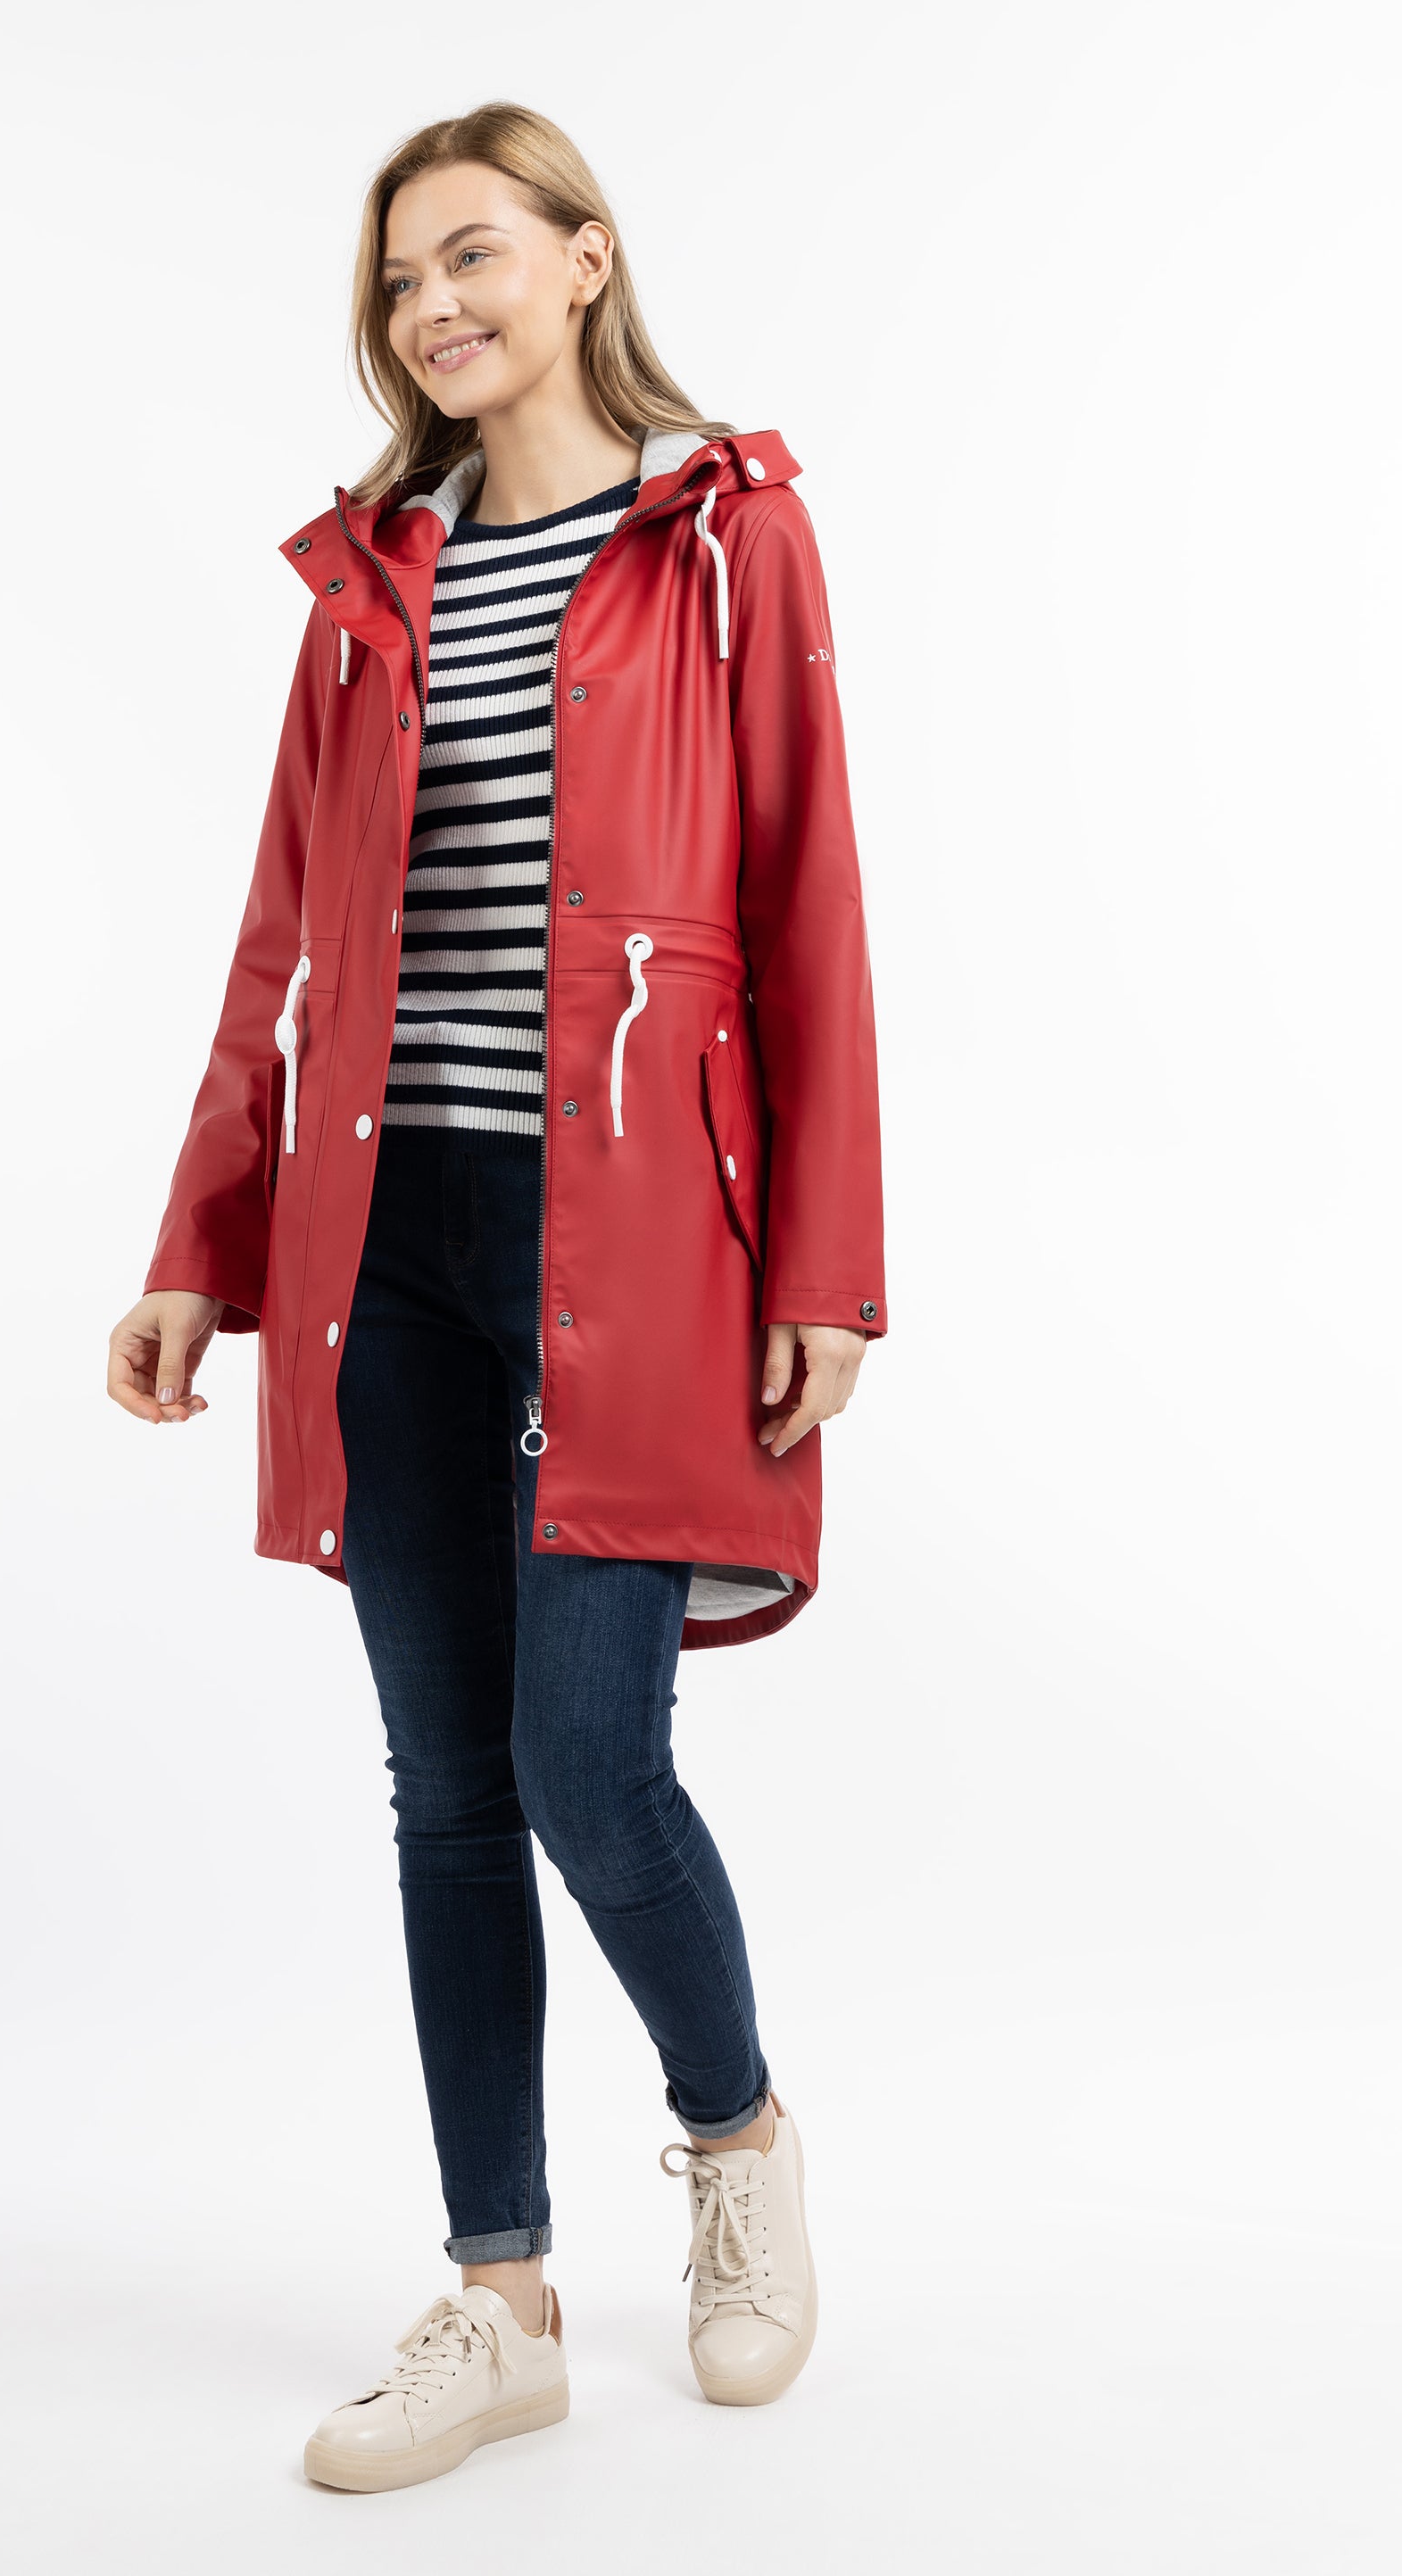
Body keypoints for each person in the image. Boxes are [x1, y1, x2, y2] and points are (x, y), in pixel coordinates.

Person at [105, 102, 885, 2493]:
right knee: (446, 1786)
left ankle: (736, 2141)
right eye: (397, 280)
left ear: (581, 258)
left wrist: (830, 1262)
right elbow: (284, 939)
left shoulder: (724, 536)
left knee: (587, 1761)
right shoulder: (377, 577)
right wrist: (199, 1240)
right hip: (392, 1241)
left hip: (635, 1237)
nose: (430, 307)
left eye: (469, 256)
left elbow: (807, 896)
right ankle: (502, 2298)